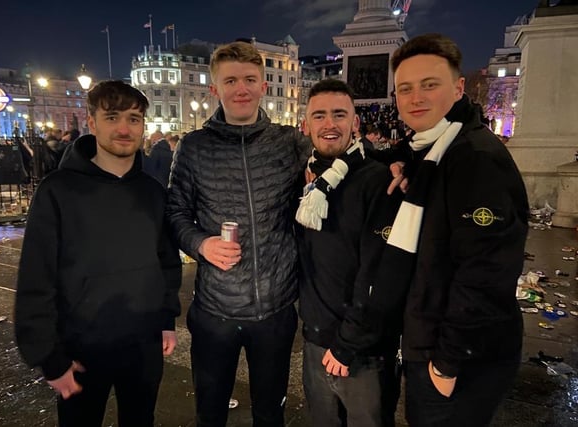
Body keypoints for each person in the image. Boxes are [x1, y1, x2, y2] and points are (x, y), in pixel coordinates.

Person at [374, 33, 529, 427]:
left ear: (459, 88)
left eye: (430, 85)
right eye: (405, 89)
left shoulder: (474, 158)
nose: (415, 98)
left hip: (458, 358)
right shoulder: (433, 151)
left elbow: (486, 273)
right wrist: (402, 163)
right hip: (434, 342)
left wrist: (446, 365)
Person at [14, 80, 182, 427]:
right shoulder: (57, 191)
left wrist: (167, 318)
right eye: (113, 117)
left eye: (134, 119)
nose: (124, 128)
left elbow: (165, 260)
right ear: (92, 123)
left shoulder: (152, 192)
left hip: (143, 344)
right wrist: (48, 357)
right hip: (81, 348)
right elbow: (36, 277)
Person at [166, 40, 310, 427]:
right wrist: (201, 243)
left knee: (270, 413)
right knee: (210, 413)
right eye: (230, 80)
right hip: (216, 311)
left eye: (250, 79)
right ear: (215, 89)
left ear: (264, 85)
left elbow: (341, 159)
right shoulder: (193, 148)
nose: (241, 88)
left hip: (275, 310)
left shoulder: (290, 143)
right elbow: (175, 213)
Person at [295, 79, 403, 427]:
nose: (329, 124)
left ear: (354, 123)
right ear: (306, 124)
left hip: (362, 351)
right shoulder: (310, 180)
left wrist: (346, 344)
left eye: (339, 115)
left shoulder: (379, 181)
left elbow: (381, 273)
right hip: (315, 338)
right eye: (320, 116)